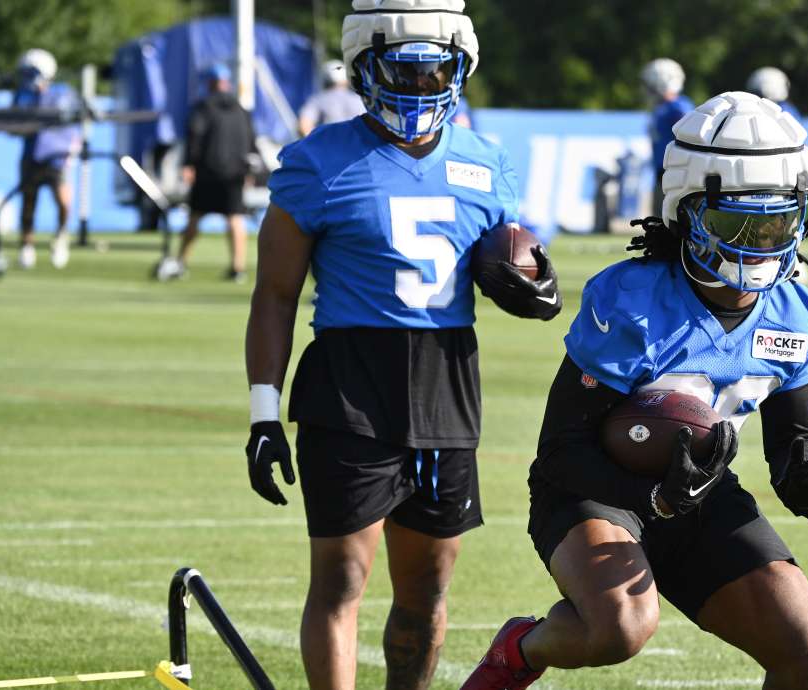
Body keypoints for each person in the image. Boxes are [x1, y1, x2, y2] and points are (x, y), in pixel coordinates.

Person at [462, 92, 808, 690]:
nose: (757, 242)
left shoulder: (796, 316)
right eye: (736, 222)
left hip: (700, 491)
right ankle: (521, 648)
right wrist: (652, 500)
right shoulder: (633, 300)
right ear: (689, 212)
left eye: (777, 221)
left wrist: (807, 469)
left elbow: (795, 439)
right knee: (621, 627)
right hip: (594, 491)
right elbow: (562, 451)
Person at [243, 1, 561, 688]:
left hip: (447, 382)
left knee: (427, 590)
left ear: (459, 69)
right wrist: (263, 414)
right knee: (342, 578)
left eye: (434, 71)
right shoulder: (317, 162)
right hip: (350, 383)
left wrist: (535, 285)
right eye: (403, 70)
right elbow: (274, 296)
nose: (420, 87)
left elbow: (512, 262)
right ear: (365, 68)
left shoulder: (488, 165)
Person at [176, 63, 256, 282]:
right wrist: (248, 170)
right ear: (226, 82)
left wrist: (188, 164)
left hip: (207, 171)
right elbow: (251, 141)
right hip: (235, 173)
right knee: (235, 218)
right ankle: (237, 268)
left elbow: (195, 136)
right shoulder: (241, 109)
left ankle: (180, 263)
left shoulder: (203, 107)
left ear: (210, 83)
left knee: (194, 218)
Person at [12, 48, 80, 270]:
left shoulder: (63, 93)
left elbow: (74, 121)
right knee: (29, 202)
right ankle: (26, 245)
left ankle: (61, 237)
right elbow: (15, 125)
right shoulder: (23, 95)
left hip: (56, 156)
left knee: (63, 201)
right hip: (32, 155)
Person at [640, 58, 694, 216]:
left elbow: (693, 137)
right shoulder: (661, 108)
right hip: (662, 173)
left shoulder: (678, 107)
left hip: (676, 174)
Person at [298, 60, 367, 137]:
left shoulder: (318, 99)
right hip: (358, 145)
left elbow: (304, 125)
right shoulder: (358, 99)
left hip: (329, 145)